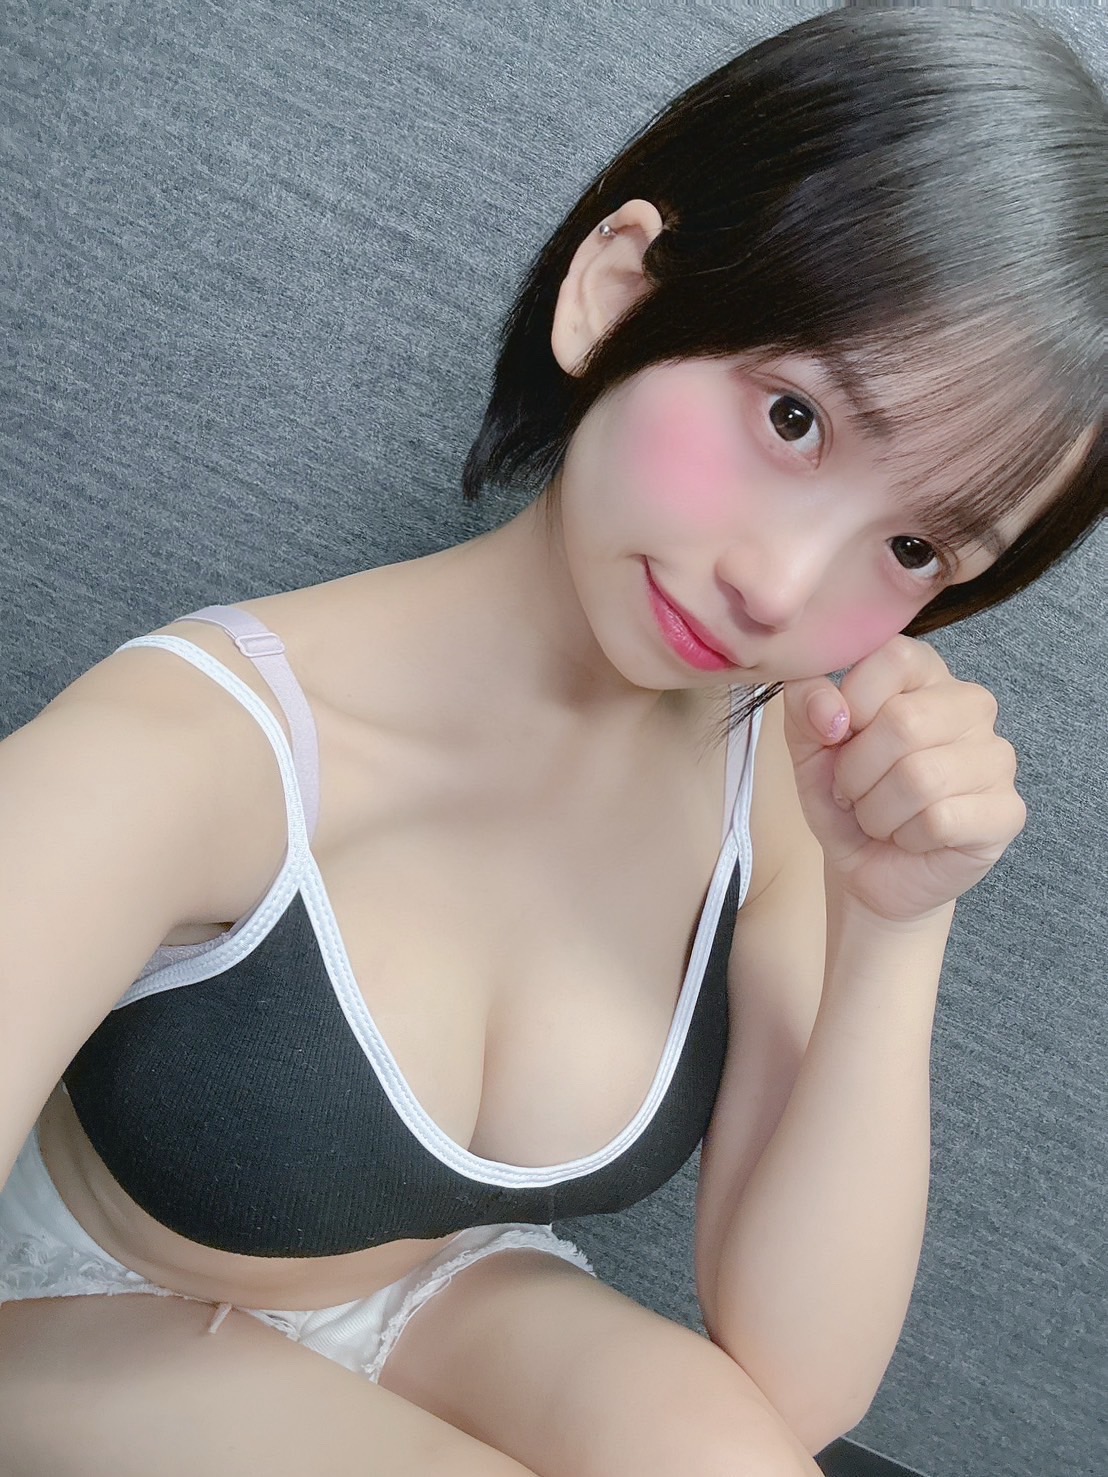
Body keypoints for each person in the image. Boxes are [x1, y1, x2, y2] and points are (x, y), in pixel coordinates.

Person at [0, 5, 1103, 1474]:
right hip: (80, 1317)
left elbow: (802, 1384)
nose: (781, 591)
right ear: (615, 291)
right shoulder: (187, 752)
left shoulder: (769, 787)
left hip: (439, 1299)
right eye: (793, 418)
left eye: (914, 547)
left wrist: (898, 920)